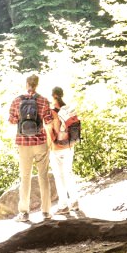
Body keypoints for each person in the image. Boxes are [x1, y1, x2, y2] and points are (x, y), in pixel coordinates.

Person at [8, 74, 55, 222]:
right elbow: (48, 121)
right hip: (40, 143)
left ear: (26, 84)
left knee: (25, 177)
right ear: (37, 84)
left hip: (23, 144)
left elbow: (11, 121)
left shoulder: (17, 101)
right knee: (43, 176)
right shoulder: (43, 100)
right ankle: (46, 212)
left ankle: (24, 212)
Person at [47, 86, 82, 214]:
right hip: (69, 146)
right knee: (69, 173)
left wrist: (49, 145)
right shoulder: (69, 109)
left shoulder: (52, 112)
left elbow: (51, 130)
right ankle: (74, 202)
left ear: (53, 96)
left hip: (57, 148)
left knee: (59, 176)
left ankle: (63, 205)